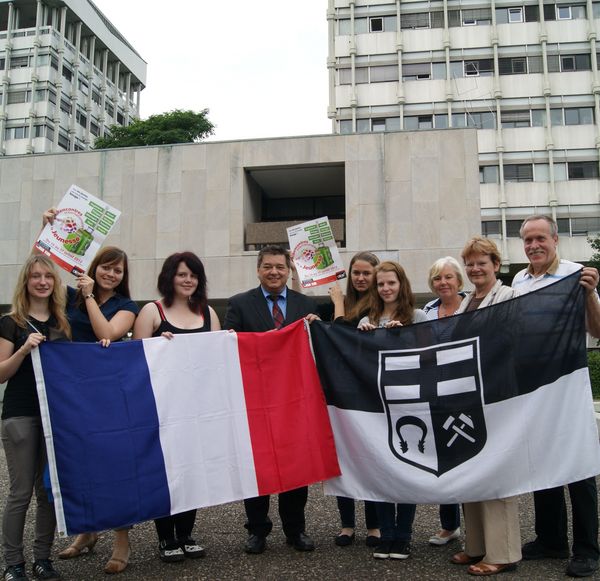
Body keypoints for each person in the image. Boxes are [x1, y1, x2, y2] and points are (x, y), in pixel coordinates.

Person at [512, 215, 600, 578]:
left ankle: (588, 548)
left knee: (578, 466)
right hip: (534, 385)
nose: (533, 246)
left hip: (568, 382)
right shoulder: (519, 279)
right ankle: (550, 538)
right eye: (527, 240)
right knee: (542, 461)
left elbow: (596, 329)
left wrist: (591, 294)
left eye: (539, 239)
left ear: (555, 239)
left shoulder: (577, 275)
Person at [223, 245, 319, 555]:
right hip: (255, 401)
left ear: (290, 270)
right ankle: (257, 531)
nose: (274, 272)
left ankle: (295, 530)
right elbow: (229, 347)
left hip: (294, 399)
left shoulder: (307, 304)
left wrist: (317, 326)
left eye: (280, 266)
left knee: (296, 466)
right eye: (268, 266)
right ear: (258, 269)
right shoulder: (239, 304)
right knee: (257, 468)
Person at [53, 244, 139, 575]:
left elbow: (106, 333)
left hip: (108, 395)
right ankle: (86, 533)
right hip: (71, 392)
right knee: (77, 461)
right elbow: (41, 270)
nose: (110, 274)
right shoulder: (68, 295)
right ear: (95, 266)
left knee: (112, 464)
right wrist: (50, 230)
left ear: (123, 276)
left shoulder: (126, 305)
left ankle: (121, 541)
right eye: (106, 266)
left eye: (117, 270)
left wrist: (88, 297)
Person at [134, 251, 220, 563]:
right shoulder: (152, 311)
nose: (188, 280)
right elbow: (135, 362)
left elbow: (216, 361)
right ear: (169, 277)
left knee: (193, 472)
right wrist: (158, 346)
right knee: (165, 473)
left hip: (197, 410)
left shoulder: (208, 314)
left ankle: (185, 533)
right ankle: (165, 537)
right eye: (182, 274)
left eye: (193, 275)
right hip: (161, 410)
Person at [450, 237, 521, 576]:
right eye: (471, 263)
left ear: (496, 264)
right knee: (472, 467)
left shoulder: (508, 296)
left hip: (498, 393)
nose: (476, 268)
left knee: (498, 470)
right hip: (469, 396)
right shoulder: (465, 303)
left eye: (482, 262)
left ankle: (503, 551)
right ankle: (476, 545)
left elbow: (510, 338)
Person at [0, 255, 71, 581]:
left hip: (52, 417)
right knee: (20, 493)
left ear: (54, 283)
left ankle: (42, 560)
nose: (42, 281)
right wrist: (23, 349)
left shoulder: (61, 322)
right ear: (26, 282)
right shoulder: (11, 322)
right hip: (20, 414)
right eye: (35, 276)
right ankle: (13, 563)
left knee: (47, 491)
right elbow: (1, 374)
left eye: (48, 276)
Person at [357, 261, 427, 560]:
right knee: (383, 469)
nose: (386, 289)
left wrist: (407, 334)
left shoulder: (418, 316)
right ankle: (386, 534)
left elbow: (428, 356)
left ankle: (404, 535)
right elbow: (357, 361)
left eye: (391, 283)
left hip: (409, 403)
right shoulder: (367, 317)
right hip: (377, 405)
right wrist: (361, 334)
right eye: (381, 284)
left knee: (407, 467)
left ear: (402, 285)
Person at [328, 251, 381, 547]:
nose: (360, 278)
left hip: (367, 390)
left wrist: (336, 305)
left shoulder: (378, 303)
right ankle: (347, 524)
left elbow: (343, 336)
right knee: (344, 459)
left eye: (366, 273)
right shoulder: (345, 302)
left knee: (369, 457)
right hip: (341, 391)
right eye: (356, 273)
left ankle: (374, 526)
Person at [422, 257, 463, 547]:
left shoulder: (474, 306)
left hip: (467, 392)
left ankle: (478, 525)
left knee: (470, 458)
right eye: (437, 278)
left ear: (459, 281)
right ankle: (450, 525)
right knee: (445, 462)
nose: (443, 283)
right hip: (436, 395)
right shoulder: (426, 311)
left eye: (448, 277)